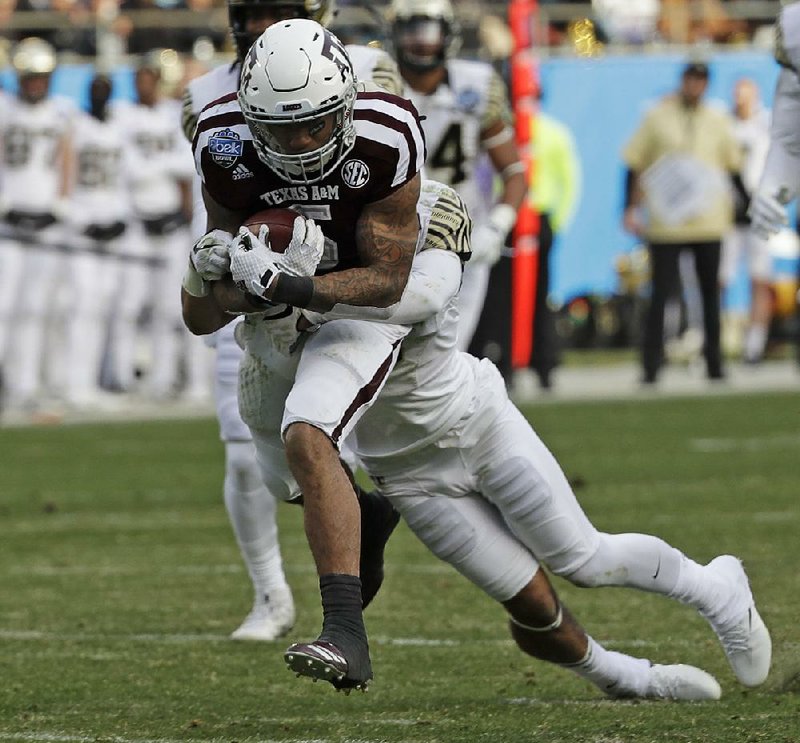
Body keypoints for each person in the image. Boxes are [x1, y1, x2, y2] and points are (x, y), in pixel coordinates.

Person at [183, 19, 428, 690]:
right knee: (281, 474)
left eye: (315, 125)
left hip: (359, 309)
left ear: (345, 104)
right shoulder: (223, 141)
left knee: (309, 430)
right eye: (281, 129)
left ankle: (345, 634)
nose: (298, 142)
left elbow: (388, 278)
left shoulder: (387, 135)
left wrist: (293, 284)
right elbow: (201, 318)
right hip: (275, 324)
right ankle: (365, 512)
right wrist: (208, 275)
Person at [389, 0, 528, 352]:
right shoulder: (381, 84)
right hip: (394, 236)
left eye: (429, 31)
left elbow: (514, 172)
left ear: (448, 34)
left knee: (446, 355)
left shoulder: (477, 84)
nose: (420, 43)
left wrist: (497, 226)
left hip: (461, 237)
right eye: (411, 32)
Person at [621, 61, 744, 385]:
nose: (695, 85)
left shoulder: (717, 119)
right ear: (683, 81)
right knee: (661, 292)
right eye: (691, 79)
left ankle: (714, 363)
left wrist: (744, 206)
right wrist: (629, 208)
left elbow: (733, 167)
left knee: (709, 294)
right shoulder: (657, 116)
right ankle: (651, 364)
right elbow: (635, 162)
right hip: (667, 222)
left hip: (708, 219)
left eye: (701, 80)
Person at [107, 52, 196, 399]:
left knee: (168, 308)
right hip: (136, 223)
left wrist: (155, 164)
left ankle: (163, 378)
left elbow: (186, 163)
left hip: (170, 223)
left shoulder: (172, 114)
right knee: (128, 305)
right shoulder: (121, 115)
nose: (142, 84)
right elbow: (129, 168)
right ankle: (121, 377)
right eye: (138, 78)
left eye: (148, 77)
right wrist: (162, 165)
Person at [0, 37, 74, 413]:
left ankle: (25, 384)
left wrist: (60, 204)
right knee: (4, 305)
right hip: (8, 224)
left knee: (36, 308)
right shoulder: (4, 108)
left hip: (45, 222)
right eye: (30, 76)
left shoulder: (60, 112)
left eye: (41, 76)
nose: (35, 83)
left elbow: (66, 159)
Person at [525, 83, 581, 391]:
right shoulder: (509, 130)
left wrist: (555, 221)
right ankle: (506, 360)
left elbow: (568, 181)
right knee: (503, 294)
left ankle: (544, 363)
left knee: (539, 291)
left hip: (538, 216)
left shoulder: (552, 133)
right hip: (514, 219)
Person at [719, 78, 773, 365]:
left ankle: (755, 344)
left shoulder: (767, 123)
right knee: (720, 278)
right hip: (728, 214)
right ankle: (714, 340)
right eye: (738, 91)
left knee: (759, 279)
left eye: (747, 92)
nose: (742, 98)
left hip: (759, 212)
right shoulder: (723, 123)